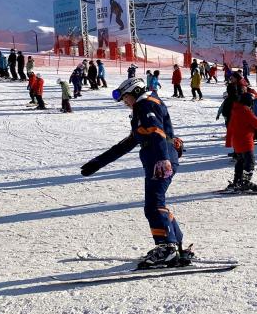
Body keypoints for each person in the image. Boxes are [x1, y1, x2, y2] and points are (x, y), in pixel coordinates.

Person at [81, 77, 189, 268]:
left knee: (154, 205)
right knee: (157, 204)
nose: (125, 103)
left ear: (136, 92)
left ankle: (167, 248)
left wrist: (163, 158)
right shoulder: (142, 109)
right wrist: (97, 163)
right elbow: (127, 143)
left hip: (159, 160)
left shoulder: (146, 104)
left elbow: (157, 132)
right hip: (157, 159)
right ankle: (174, 245)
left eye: (126, 98)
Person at [226, 92, 257, 191]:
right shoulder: (245, 111)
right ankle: (245, 182)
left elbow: (230, 126)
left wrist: (229, 141)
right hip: (245, 141)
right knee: (249, 162)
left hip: (237, 142)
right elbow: (256, 123)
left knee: (240, 161)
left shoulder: (235, 110)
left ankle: (237, 181)